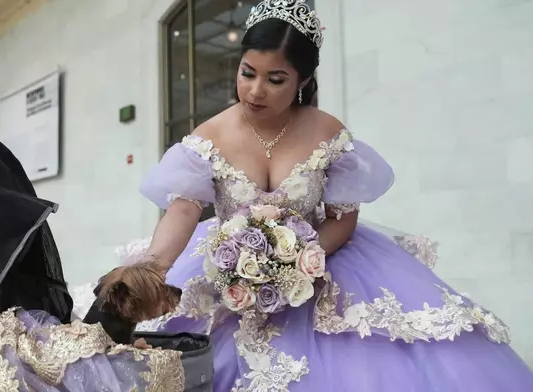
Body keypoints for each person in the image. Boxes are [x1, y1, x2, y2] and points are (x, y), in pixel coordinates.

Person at [133, 0, 533, 390]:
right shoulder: (210, 135)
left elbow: (343, 217)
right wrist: (153, 268)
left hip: (323, 264)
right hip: (229, 275)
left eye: (276, 80)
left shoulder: (325, 131)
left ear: (303, 81)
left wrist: (296, 261)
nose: (255, 91)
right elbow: (184, 209)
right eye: (247, 72)